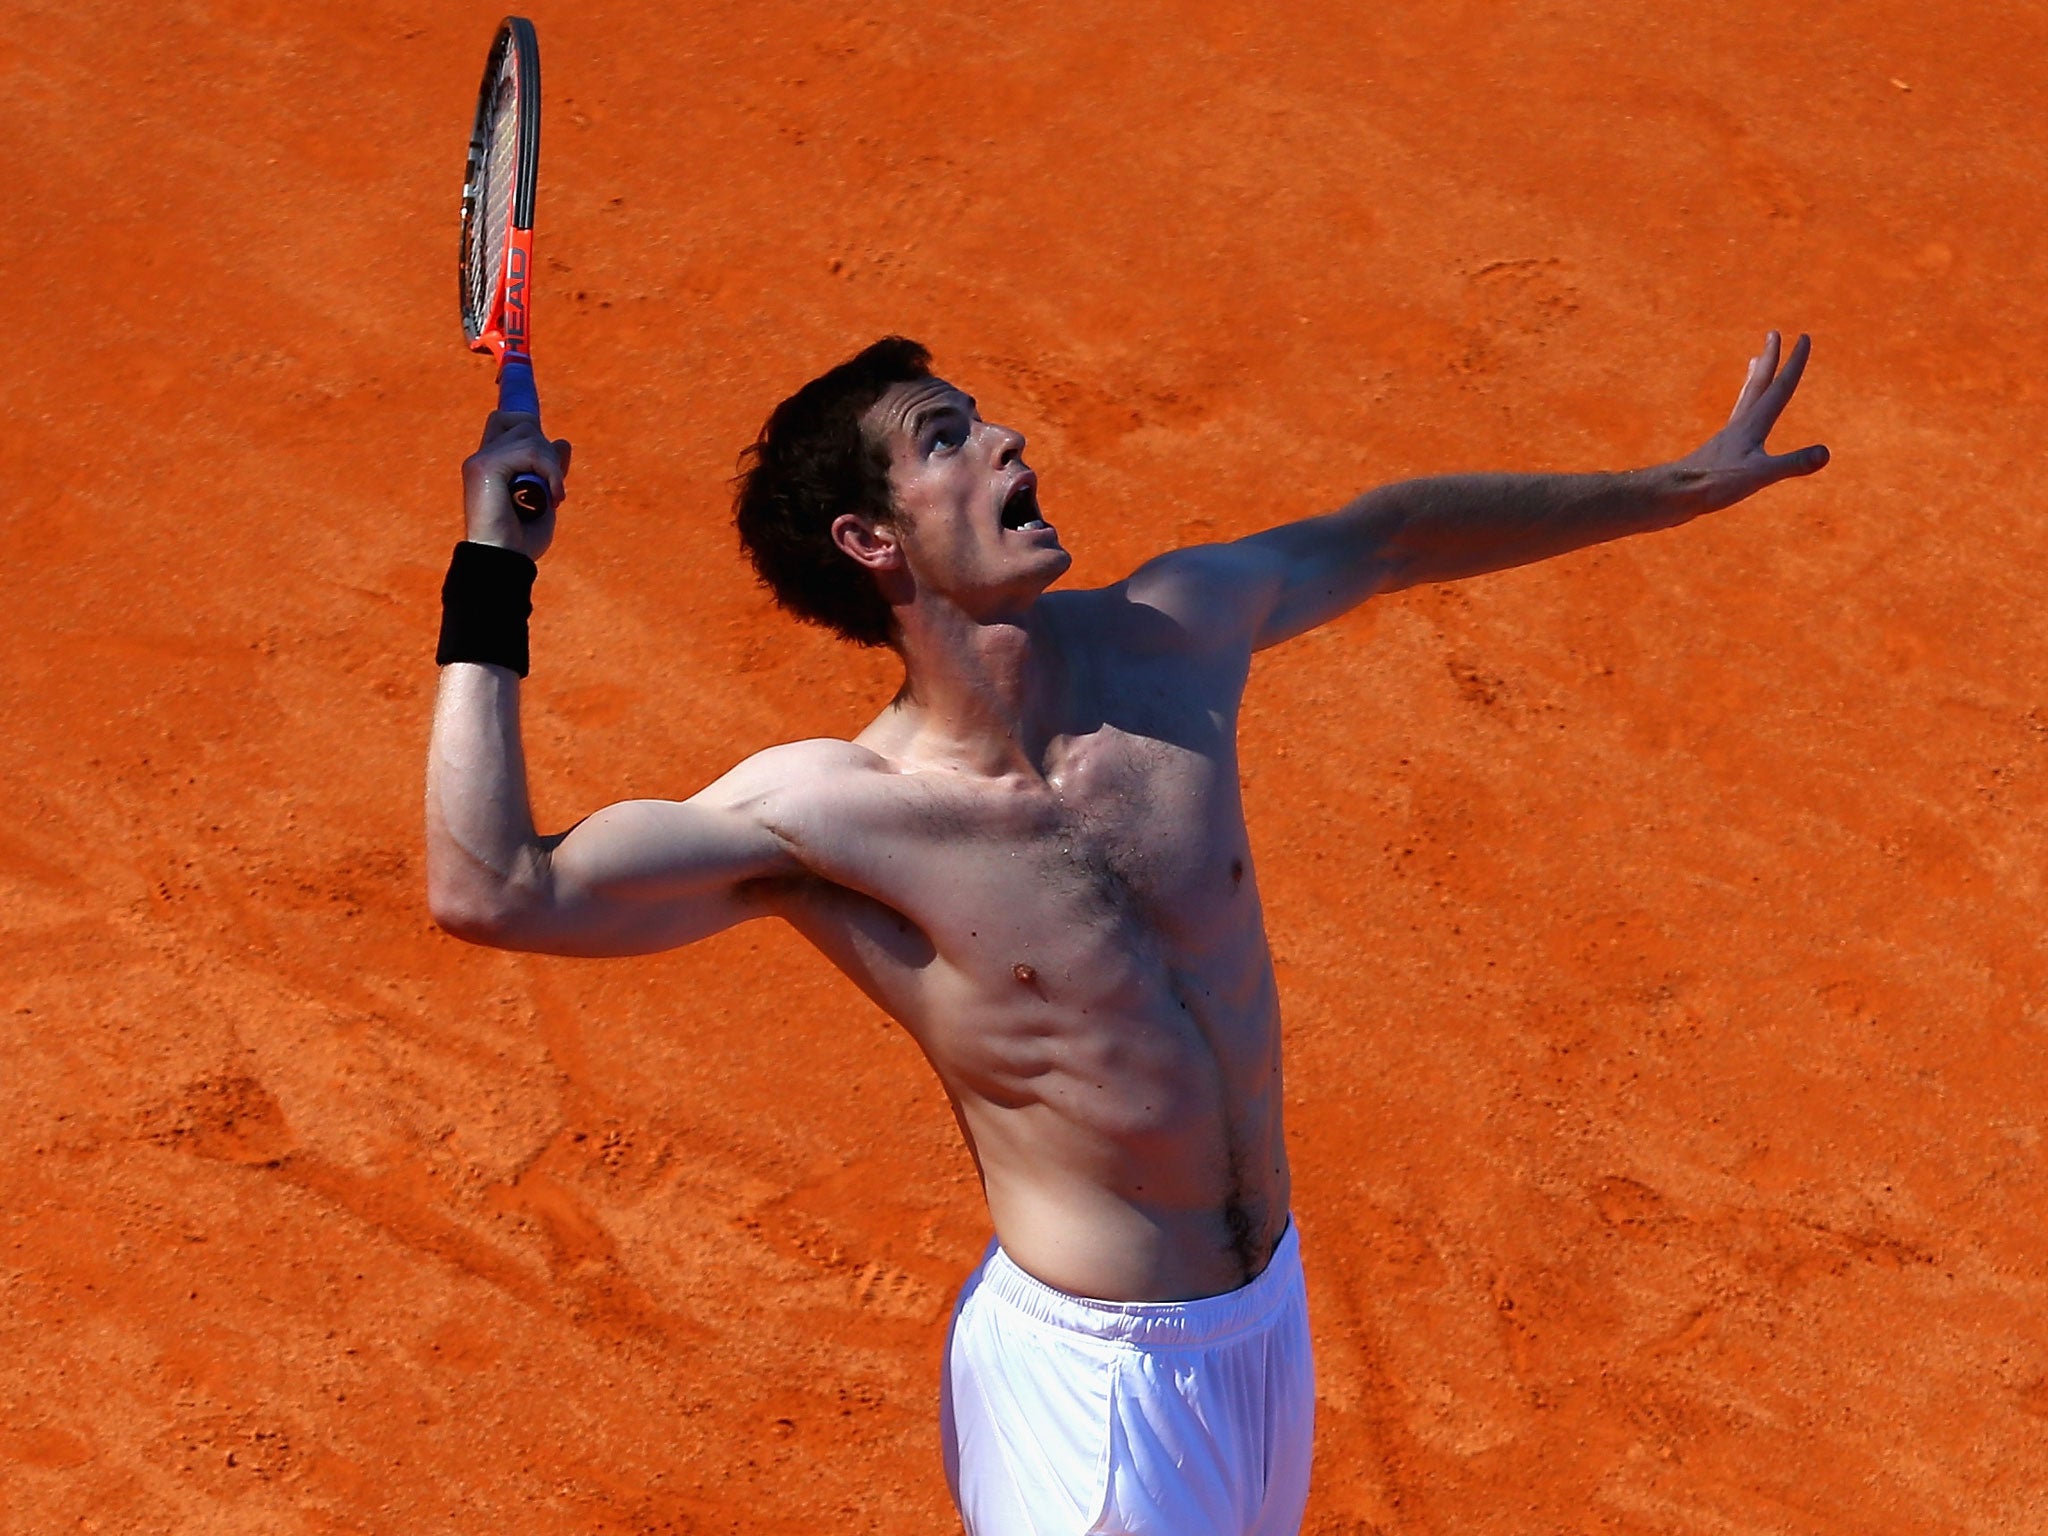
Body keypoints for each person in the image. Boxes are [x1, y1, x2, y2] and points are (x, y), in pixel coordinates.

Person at [425, 331, 1827, 1535]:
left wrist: (1672, 489)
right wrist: (495, 564)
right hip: (1092, 1396)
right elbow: (494, 889)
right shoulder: (839, 815)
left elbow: (1391, 533)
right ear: (872, 538)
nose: (1006, 438)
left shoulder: (1174, 642)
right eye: (946, 438)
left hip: (1262, 1332)